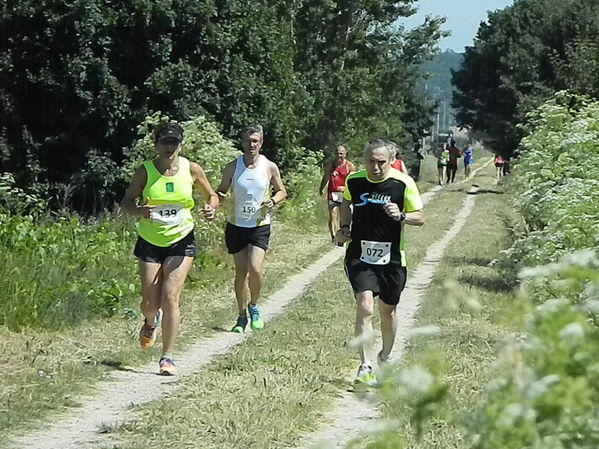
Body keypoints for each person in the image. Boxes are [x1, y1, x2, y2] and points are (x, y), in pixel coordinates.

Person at [121, 122, 219, 375]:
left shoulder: (192, 169)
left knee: (170, 297)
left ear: (180, 145)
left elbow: (212, 195)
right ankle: (150, 322)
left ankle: (168, 357)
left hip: (182, 238)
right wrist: (139, 210)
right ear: (156, 145)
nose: (169, 148)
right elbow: (127, 202)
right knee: (149, 302)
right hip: (150, 240)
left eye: (173, 143)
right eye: (164, 142)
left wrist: (211, 207)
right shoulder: (145, 172)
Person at [336, 139, 424, 386]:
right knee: (365, 306)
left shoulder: (403, 183)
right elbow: (346, 201)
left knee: (388, 310)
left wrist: (403, 215)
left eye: (381, 162)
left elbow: (421, 217)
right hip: (360, 255)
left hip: (393, 257)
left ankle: (385, 356)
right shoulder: (354, 180)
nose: (375, 167)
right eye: (371, 161)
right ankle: (365, 366)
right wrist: (344, 227)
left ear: (391, 161)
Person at [216, 125, 287, 333]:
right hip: (237, 225)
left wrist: (273, 201)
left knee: (255, 269)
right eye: (248, 140)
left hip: (259, 225)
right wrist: (219, 199)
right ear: (243, 142)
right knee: (241, 272)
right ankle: (240, 316)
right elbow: (221, 190)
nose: (251, 144)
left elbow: (282, 190)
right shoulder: (232, 167)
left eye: (255, 140)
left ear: (261, 143)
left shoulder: (269, 166)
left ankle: (254, 306)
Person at [319, 146, 356, 244]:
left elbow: (353, 181)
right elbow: (325, 177)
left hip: (344, 194)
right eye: (337, 153)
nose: (339, 155)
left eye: (341, 153)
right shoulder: (331, 165)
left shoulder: (349, 166)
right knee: (333, 214)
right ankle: (333, 237)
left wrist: (346, 188)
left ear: (345, 154)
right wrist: (321, 188)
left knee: (343, 216)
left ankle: (341, 236)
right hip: (333, 193)